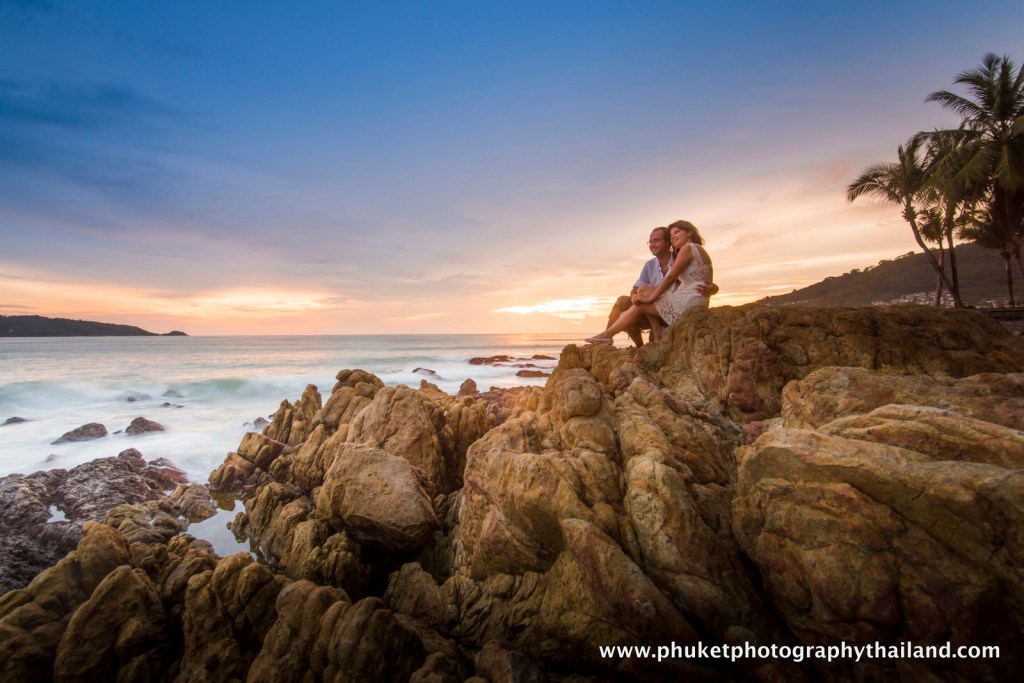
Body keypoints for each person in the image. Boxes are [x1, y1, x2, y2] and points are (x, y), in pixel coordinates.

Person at [586, 220, 713, 345]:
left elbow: (672, 277)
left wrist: (651, 297)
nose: (652, 244)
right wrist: (635, 296)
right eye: (650, 241)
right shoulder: (651, 264)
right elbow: (700, 274)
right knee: (635, 295)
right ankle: (610, 338)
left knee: (641, 301)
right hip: (673, 303)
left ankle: (608, 336)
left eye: (656, 240)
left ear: (667, 243)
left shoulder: (684, 251)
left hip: (683, 303)